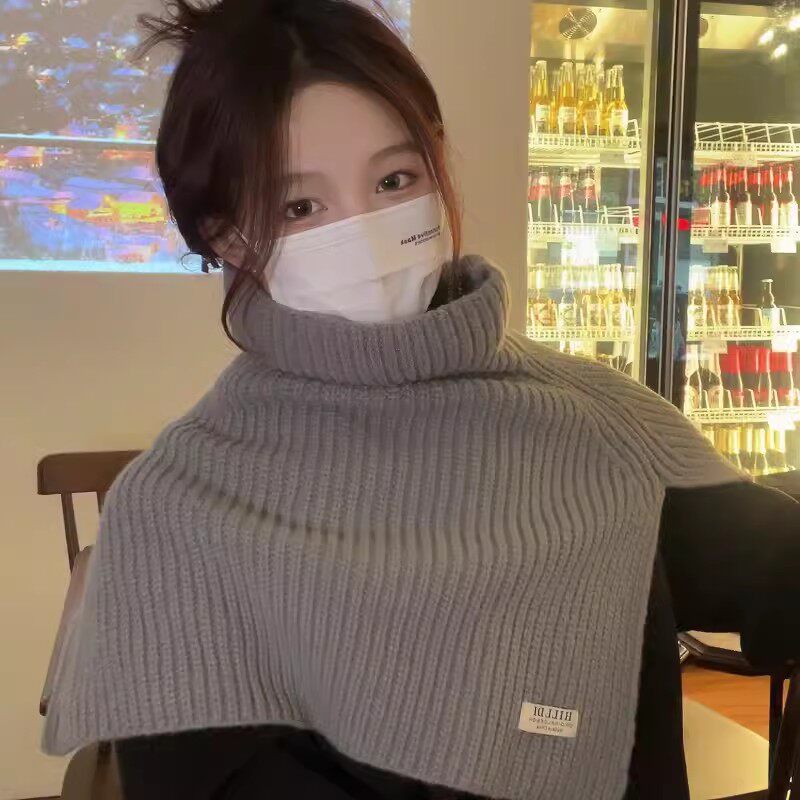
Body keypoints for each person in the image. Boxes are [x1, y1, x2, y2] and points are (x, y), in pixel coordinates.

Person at [42, 1, 800, 798]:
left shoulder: (600, 425)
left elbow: (769, 569)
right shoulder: (178, 513)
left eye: (393, 180)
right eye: (300, 206)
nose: (368, 233)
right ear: (226, 232)